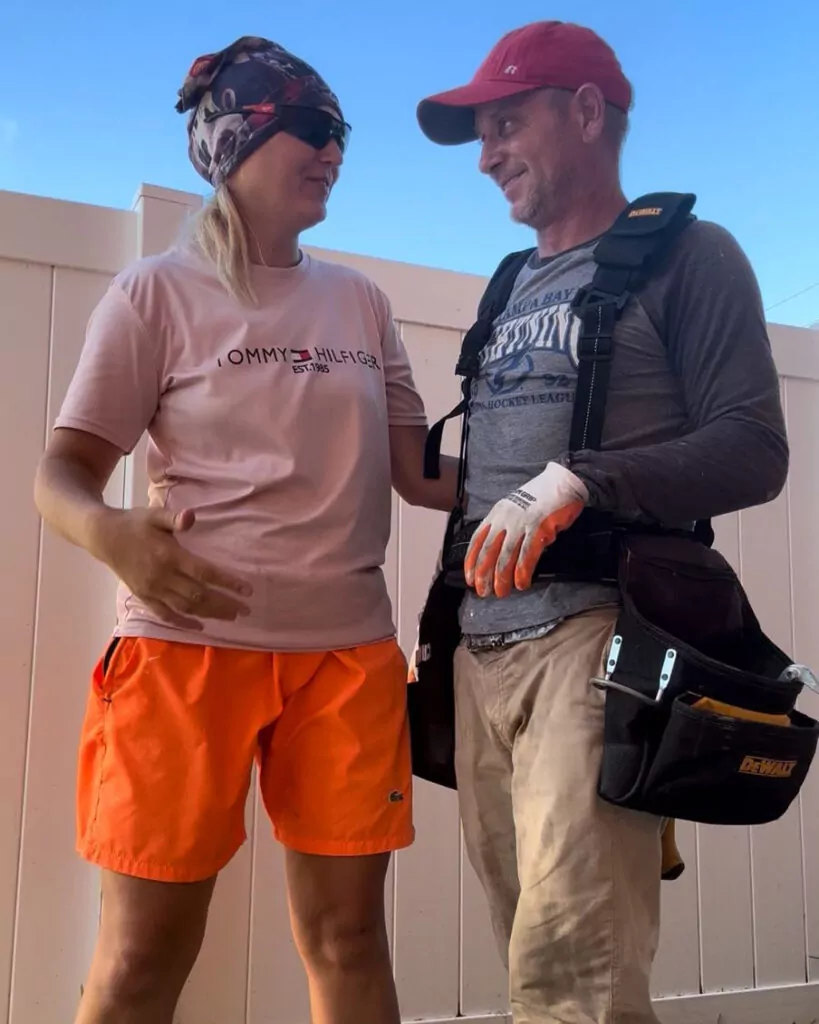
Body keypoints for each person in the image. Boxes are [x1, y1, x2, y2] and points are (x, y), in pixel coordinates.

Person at [34, 35, 457, 1024]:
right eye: (311, 126)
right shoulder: (153, 293)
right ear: (233, 142)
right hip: (183, 655)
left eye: (341, 133)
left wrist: (565, 483)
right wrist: (111, 533)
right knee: (140, 957)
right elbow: (60, 475)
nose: (334, 150)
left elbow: (421, 473)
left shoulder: (361, 302)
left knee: (350, 941)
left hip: (346, 661)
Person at [415, 20, 789, 1024]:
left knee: (572, 980)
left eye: (505, 124)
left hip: (594, 645)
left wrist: (579, 481)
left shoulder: (689, 255)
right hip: (479, 656)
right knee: (530, 956)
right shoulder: (508, 283)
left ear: (586, 112)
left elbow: (754, 448)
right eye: (480, 134)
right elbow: (490, 490)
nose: (486, 155)